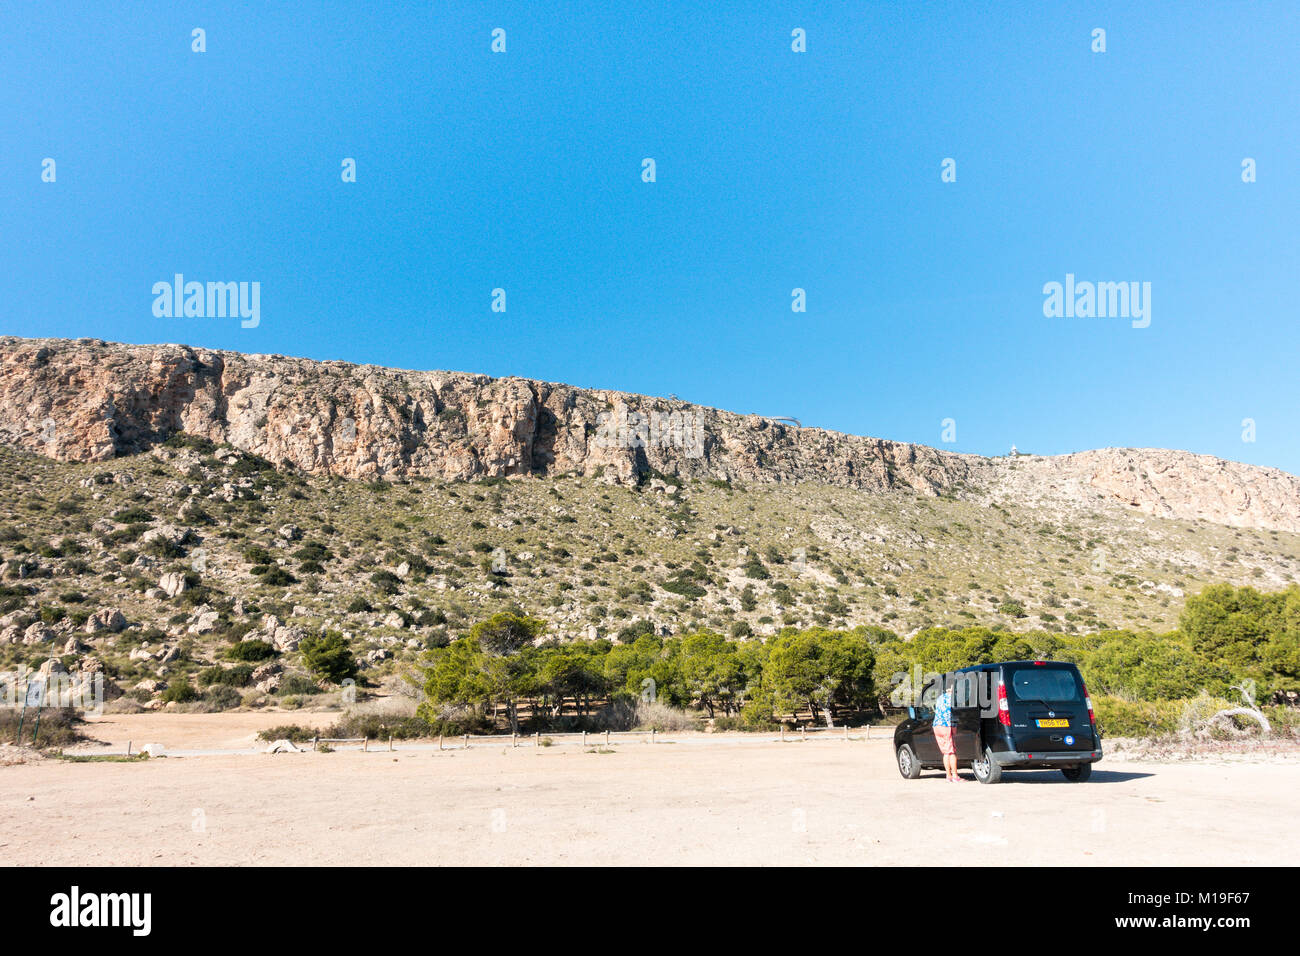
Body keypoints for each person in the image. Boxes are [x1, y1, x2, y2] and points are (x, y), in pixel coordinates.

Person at [932, 683, 962, 782]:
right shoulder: (953, 699)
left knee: (945, 752)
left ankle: (948, 775)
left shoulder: (940, 697)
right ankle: (955, 776)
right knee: (951, 751)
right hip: (947, 725)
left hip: (937, 725)